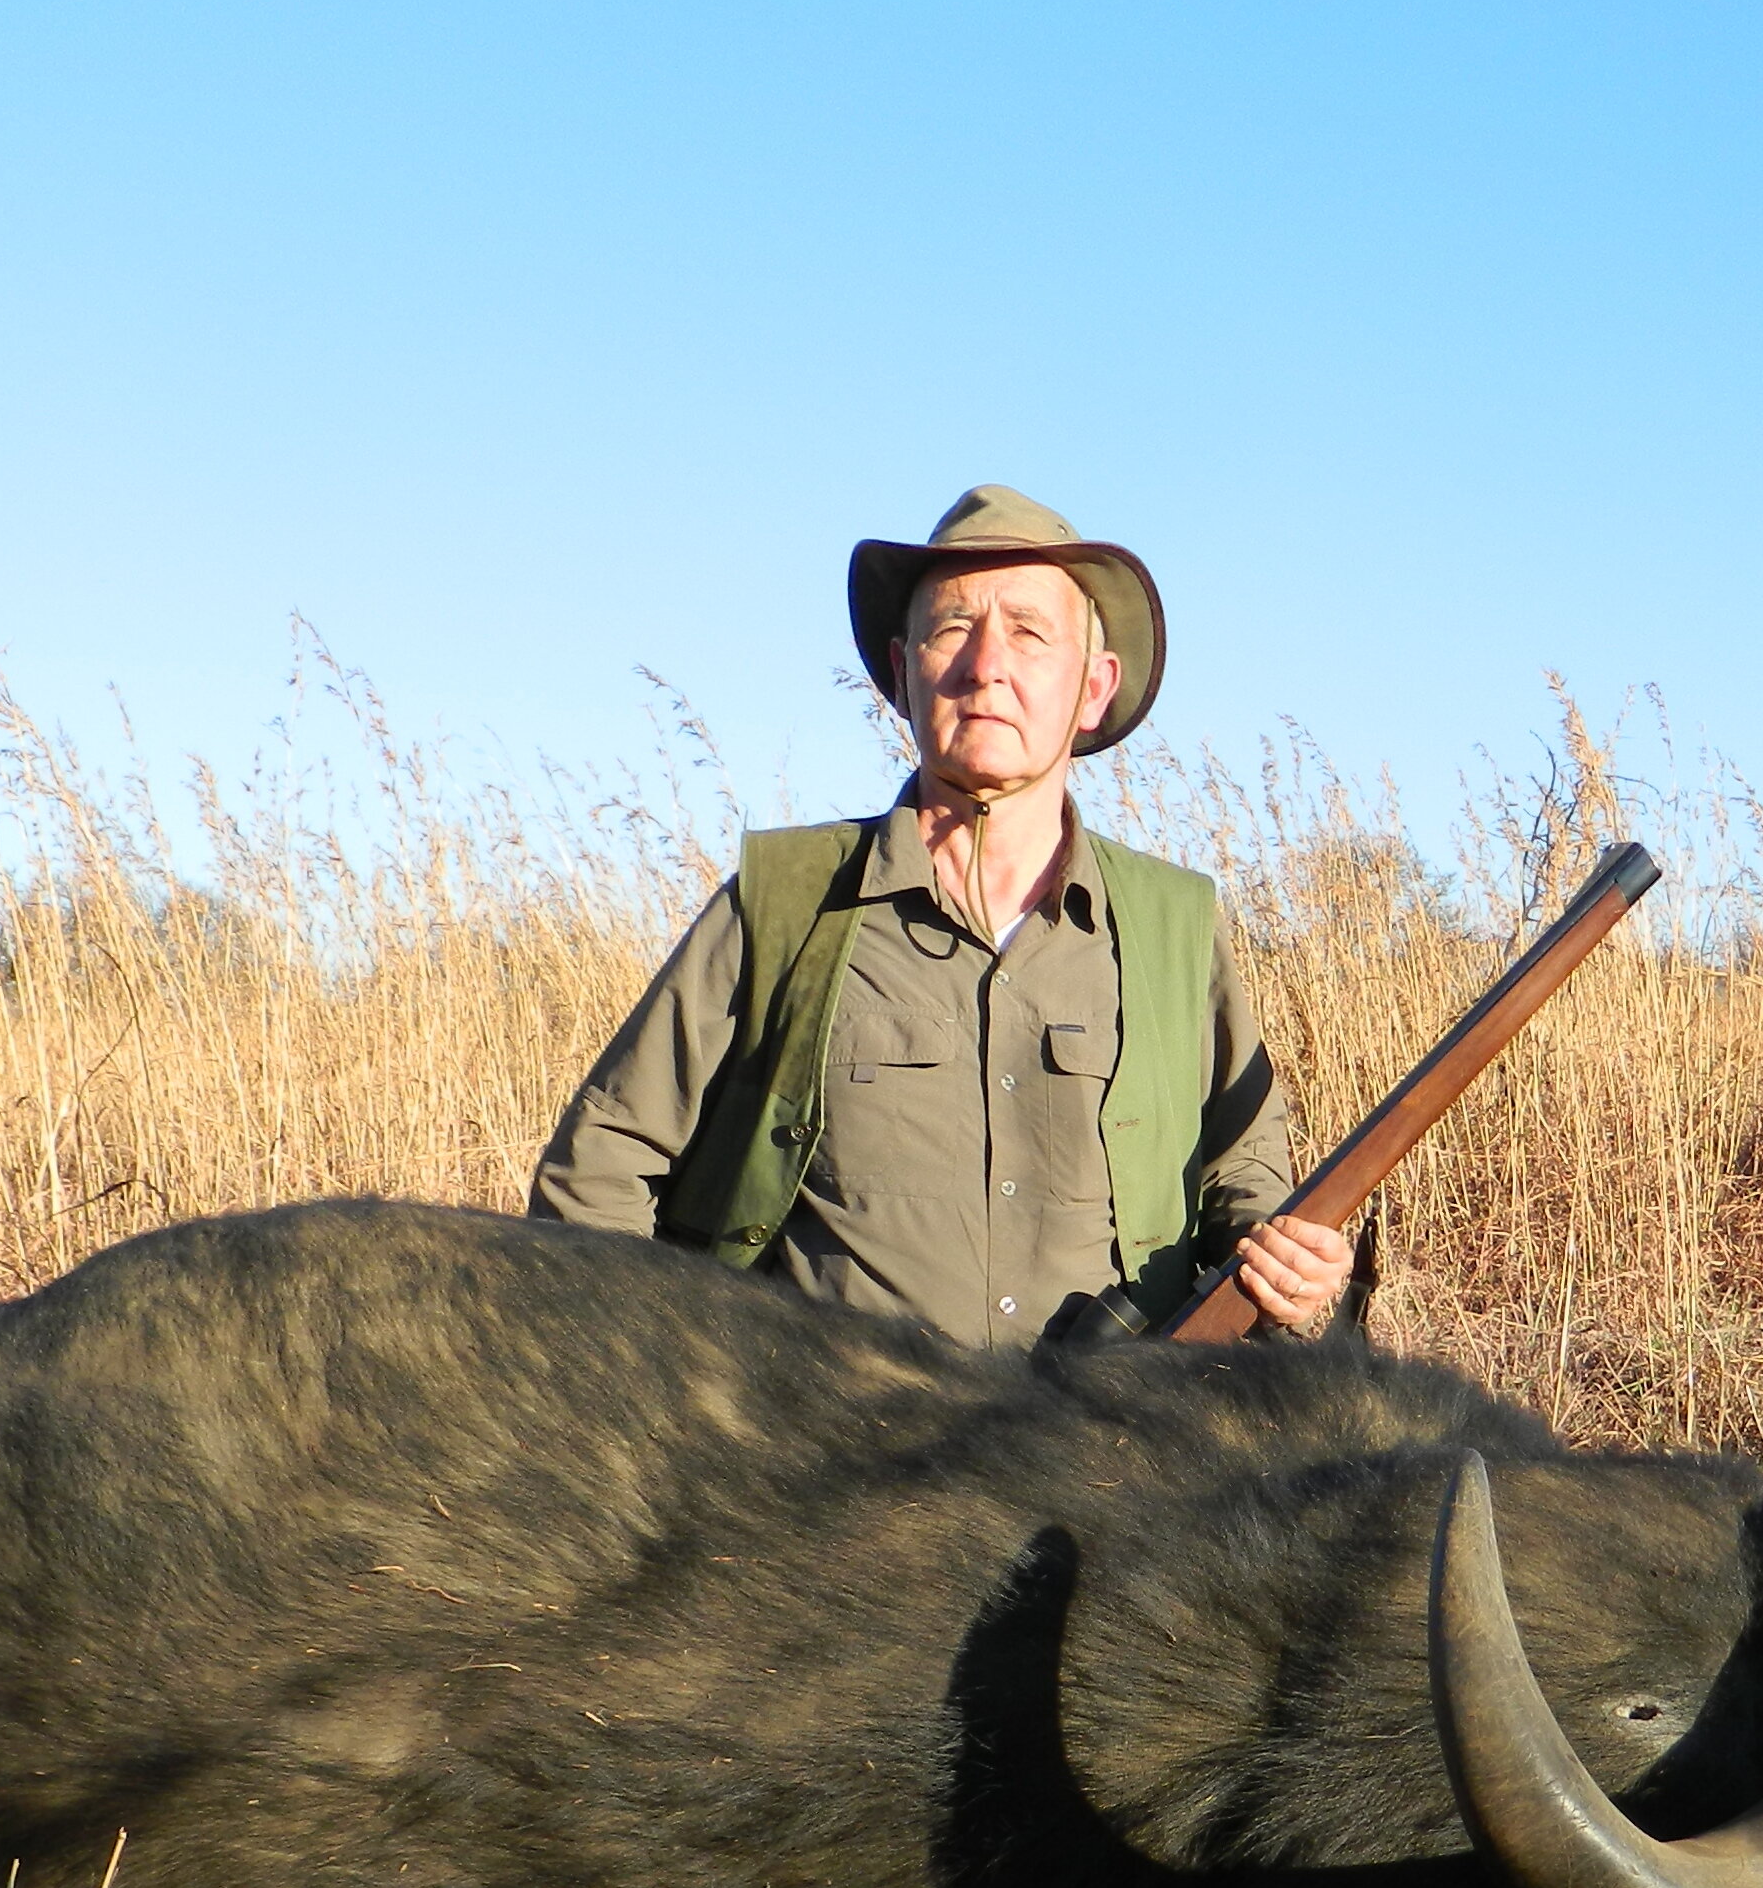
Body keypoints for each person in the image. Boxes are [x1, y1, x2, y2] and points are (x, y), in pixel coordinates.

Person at [529, 486, 1353, 1347]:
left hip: (1105, 1463)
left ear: (1093, 688)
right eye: (952, 628)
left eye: (1030, 632)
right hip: (820, 1463)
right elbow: (597, 1175)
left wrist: (1290, 1277)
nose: (985, 664)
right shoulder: (785, 900)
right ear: (901, 669)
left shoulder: (1176, 926)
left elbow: (1243, 1183)